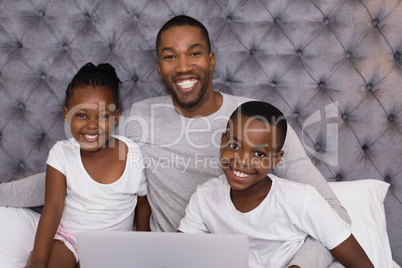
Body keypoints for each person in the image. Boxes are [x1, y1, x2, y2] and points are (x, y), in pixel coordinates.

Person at [1, 16, 349, 267]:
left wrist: (300, 265)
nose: (183, 67)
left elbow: (335, 215)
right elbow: (77, 170)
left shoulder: (257, 123)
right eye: (170, 56)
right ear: (159, 67)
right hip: (169, 258)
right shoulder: (140, 118)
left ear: (211, 61)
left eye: (194, 53)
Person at [178, 101, 373, 268]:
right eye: (235, 146)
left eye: (259, 154)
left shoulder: (301, 200)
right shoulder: (205, 197)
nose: (242, 161)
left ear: (275, 160)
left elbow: (362, 264)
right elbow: (175, 257)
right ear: (222, 141)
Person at [24, 63, 150, 268]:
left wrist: (144, 246)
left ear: (116, 116)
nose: (92, 125)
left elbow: (143, 204)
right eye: (82, 115)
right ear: (66, 114)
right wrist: (38, 260)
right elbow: (53, 206)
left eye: (103, 116)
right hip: (69, 238)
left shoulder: (131, 154)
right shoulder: (61, 153)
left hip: (113, 245)